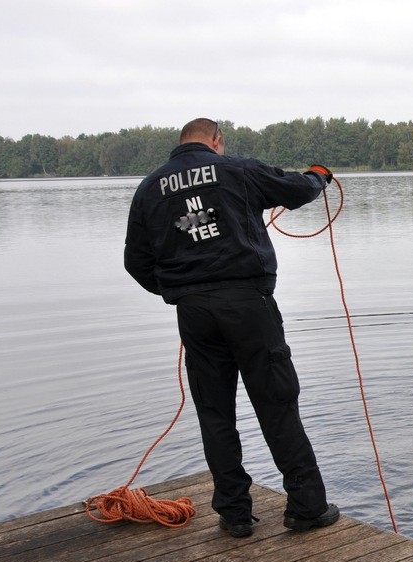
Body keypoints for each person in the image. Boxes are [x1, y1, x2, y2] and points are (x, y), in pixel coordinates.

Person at [124, 117, 340, 538]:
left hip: (195, 314)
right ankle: (307, 508)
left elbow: (136, 262)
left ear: (181, 140)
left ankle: (235, 513)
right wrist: (319, 176)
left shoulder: (150, 187)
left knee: (214, 411)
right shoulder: (237, 169)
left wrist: (179, 292)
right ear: (217, 140)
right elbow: (296, 189)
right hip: (248, 306)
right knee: (277, 401)